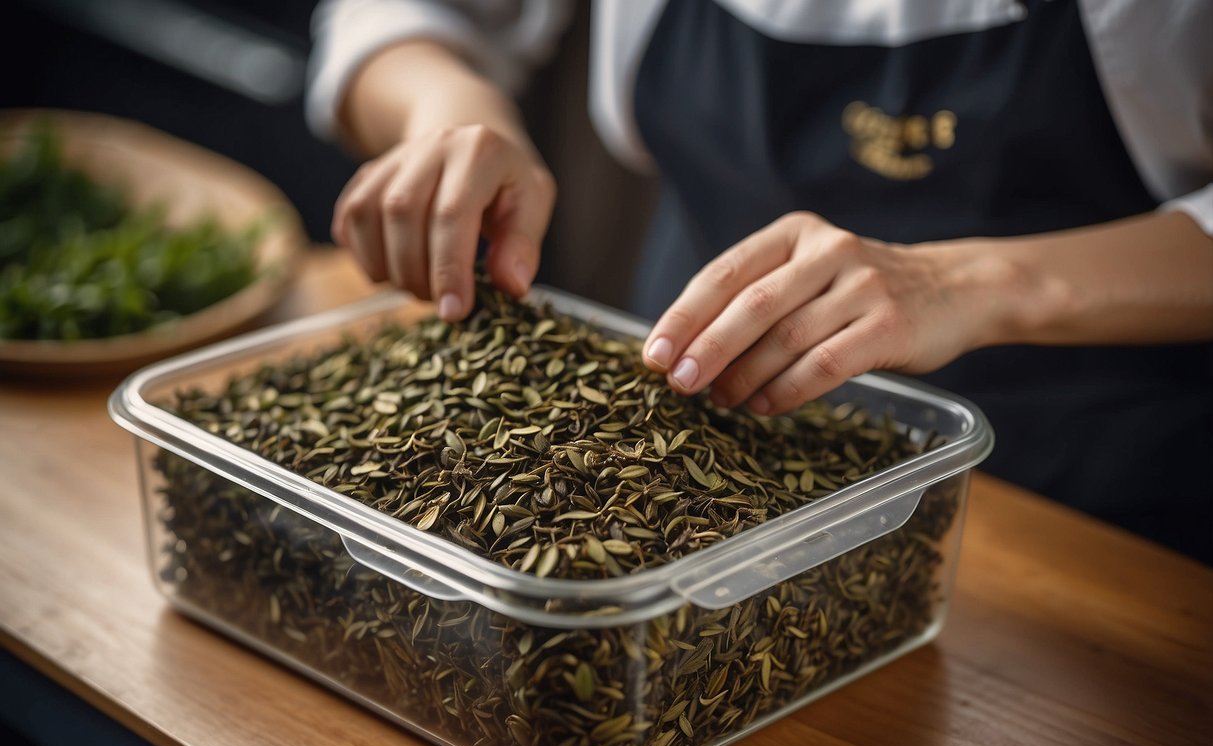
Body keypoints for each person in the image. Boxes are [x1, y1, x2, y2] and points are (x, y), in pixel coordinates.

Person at [306, 0, 1213, 560]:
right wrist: (446, 111)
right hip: (699, 413)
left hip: (1098, 488)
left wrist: (978, 279)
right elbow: (405, 15)